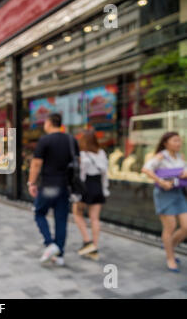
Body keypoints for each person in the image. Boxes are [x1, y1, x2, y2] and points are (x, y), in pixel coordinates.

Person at [27, 113, 79, 266]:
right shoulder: (71, 140)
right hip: (65, 186)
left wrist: (31, 183)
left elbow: (36, 164)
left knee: (39, 212)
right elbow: (78, 163)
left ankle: (50, 244)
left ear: (48, 123)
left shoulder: (45, 140)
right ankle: (60, 255)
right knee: (61, 219)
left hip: (49, 185)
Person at [142, 132, 187, 273]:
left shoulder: (181, 157)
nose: (178, 143)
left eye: (179, 141)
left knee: (186, 226)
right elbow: (146, 169)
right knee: (170, 226)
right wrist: (161, 181)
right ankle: (170, 258)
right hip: (163, 194)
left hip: (178, 193)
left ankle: (169, 246)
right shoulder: (161, 156)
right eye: (175, 140)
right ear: (166, 143)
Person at [72, 130, 109, 261]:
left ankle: (87, 241)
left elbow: (80, 176)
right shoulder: (102, 153)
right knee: (95, 218)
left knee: (77, 213)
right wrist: (105, 190)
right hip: (98, 186)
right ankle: (95, 245)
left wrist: (76, 193)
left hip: (85, 187)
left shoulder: (83, 155)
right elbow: (105, 174)